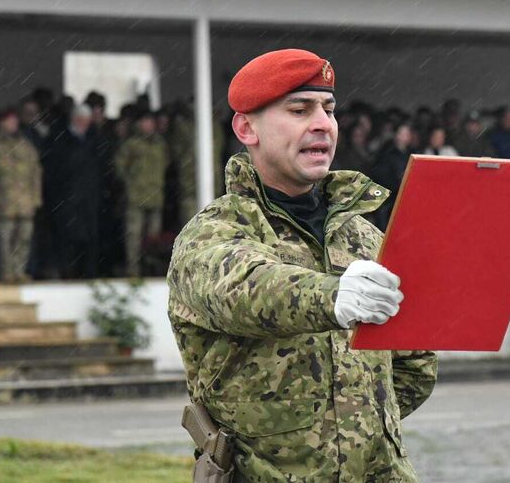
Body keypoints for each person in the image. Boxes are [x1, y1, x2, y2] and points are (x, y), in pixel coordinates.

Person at [166, 49, 437, 482]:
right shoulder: (213, 233)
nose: (322, 123)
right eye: (299, 109)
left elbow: (415, 361)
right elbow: (245, 287)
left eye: (329, 109)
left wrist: (352, 427)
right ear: (246, 127)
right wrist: (333, 296)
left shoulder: (364, 237)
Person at [43, 104, 101, 279]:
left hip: (88, 200)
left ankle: (88, 273)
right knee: (67, 239)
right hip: (66, 200)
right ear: (75, 120)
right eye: (83, 121)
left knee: (90, 238)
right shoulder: (59, 138)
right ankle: (67, 273)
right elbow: (53, 171)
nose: (86, 125)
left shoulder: (93, 138)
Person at [0, 109, 41, 283]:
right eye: (9, 121)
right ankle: (7, 272)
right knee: (5, 240)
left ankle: (19, 270)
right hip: (4, 201)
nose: (13, 125)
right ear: (2, 123)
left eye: (15, 121)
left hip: (25, 202)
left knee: (24, 237)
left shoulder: (27, 146)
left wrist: (36, 198)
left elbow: (36, 173)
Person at [115, 111, 169, 277]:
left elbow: (166, 163)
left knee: (153, 238)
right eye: (144, 122)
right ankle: (134, 270)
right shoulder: (131, 144)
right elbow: (119, 167)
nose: (148, 125)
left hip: (155, 196)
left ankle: (151, 269)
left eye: (150, 122)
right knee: (134, 236)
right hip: (136, 197)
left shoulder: (160, 144)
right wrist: (132, 183)